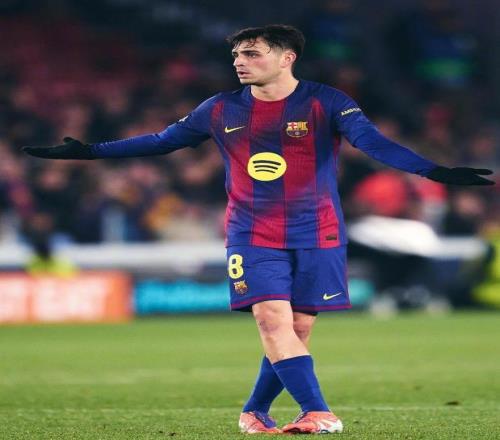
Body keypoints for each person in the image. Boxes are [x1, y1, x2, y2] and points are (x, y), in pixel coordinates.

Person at [23, 24, 495, 435]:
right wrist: (89, 151)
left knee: (298, 328)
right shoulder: (219, 109)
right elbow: (161, 141)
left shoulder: (327, 102)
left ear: (287, 58)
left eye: (252, 53)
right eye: (236, 54)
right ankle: (317, 411)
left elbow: (373, 143)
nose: (239, 62)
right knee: (272, 320)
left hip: (319, 231)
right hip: (252, 232)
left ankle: (254, 411)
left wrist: (433, 171)